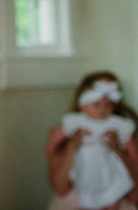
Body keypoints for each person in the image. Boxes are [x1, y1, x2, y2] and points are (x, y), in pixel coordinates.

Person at [46, 71, 138, 210]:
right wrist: (73, 146)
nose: (102, 107)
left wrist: (118, 151)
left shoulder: (122, 129)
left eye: (107, 101)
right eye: (97, 102)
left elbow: (134, 195)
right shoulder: (69, 130)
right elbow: (60, 188)